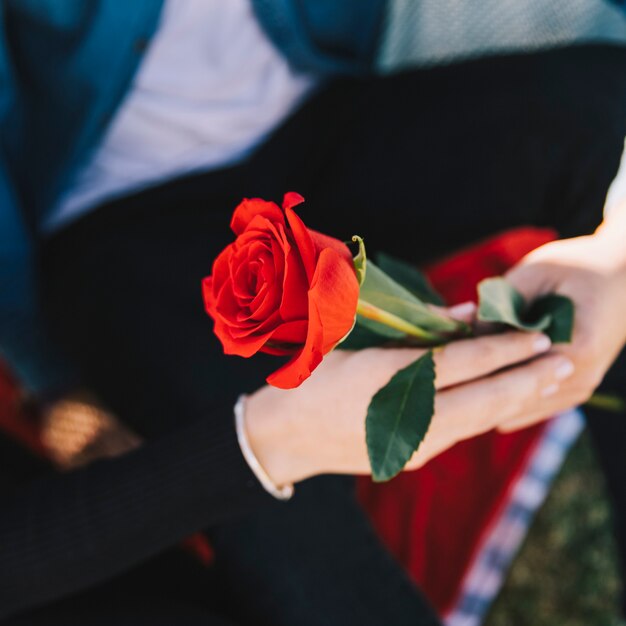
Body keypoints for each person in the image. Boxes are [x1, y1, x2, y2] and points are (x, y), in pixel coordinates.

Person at [2, 1, 626, 623]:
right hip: (114, 212)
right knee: (269, 494)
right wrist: (53, 379)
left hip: (315, 105)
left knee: (604, 108)